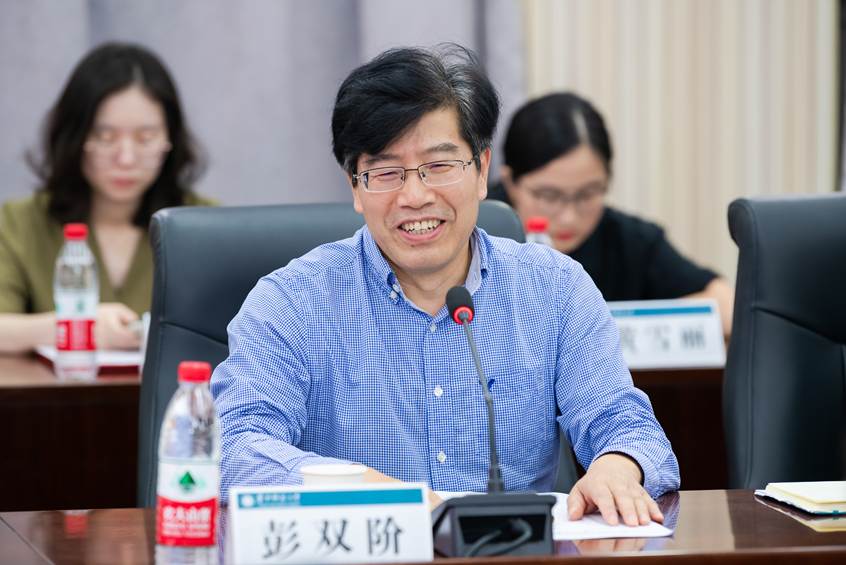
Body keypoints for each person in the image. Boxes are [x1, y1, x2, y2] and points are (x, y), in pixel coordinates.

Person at [212, 45, 680, 527]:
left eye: (439, 166)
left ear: (481, 170)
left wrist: (617, 466)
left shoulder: (556, 289)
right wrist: (366, 489)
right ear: (355, 187)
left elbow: (626, 424)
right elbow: (232, 448)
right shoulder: (292, 302)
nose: (415, 196)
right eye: (386, 173)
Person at [0, 42, 211, 353]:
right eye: (105, 137)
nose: (125, 158)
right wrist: (75, 325)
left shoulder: (204, 224)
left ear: (170, 140)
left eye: (145, 138)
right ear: (75, 137)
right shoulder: (21, 222)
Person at [489, 92, 734, 335]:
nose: (568, 217)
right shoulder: (477, 231)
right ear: (510, 182)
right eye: (549, 196)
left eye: (587, 194)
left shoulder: (628, 240)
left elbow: (727, 307)